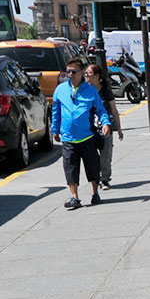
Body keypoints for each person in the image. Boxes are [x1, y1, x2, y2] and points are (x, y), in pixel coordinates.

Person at [51, 57, 111, 210]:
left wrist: (106, 123)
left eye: (73, 71)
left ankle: (94, 193)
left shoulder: (90, 91)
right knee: (70, 167)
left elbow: (100, 110)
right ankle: (75, 197)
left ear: (81, 72)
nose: (69, 74)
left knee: (92, 166)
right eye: (67, 71)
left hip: (87, 136)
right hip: (68, 138)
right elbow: (55, 111)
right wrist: (54, 129)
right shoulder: (60, 90)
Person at [84, 63, 123, 190]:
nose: (86, 76)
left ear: (97, 76)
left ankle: (105, 178)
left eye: (88, 74)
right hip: (89, 128)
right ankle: (96, 178)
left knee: (105, 155)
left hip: (105, 126)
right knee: (93, 156)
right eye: (85, 74)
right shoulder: (84, 90)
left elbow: (113, 109)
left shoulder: (105, 89)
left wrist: (119, 128)